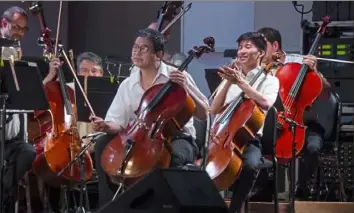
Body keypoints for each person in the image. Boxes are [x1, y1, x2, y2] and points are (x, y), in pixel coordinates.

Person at [91, 28, 209, 209]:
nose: (137, 52)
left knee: (171, 157)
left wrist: (187, 87)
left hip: (178, 137)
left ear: (158, 54)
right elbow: (117, 122)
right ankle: (109, 206)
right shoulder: (127, 84)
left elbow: (204, 112)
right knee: (102, 144)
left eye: (144, 49)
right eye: (135, 47)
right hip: (139, 137)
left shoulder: (178, 76)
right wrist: (106, 126)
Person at [257, 27, 331, 200]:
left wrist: (315, 72)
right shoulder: (262, 68)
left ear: (275, 46)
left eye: (262, 46)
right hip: (276, 121)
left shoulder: (299, 62)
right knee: (254, 139)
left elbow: (326, 91)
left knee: (312, 147)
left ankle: (303, 189)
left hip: (305, 122)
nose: (258, 50)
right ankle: (266, 188)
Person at [210, 32, 279, 213]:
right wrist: (226, 83)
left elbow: (265, 103)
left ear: (261, 53)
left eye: (248, 47)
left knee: (250, 166)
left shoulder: (270, 80)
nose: (241, 51)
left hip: (249, 138)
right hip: (223, 137)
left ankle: (234, 209)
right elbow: (214, 109)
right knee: (204, 168)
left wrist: (241, 83)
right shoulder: (231, 76)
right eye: (240, 47)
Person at [44, 51, 104, 213]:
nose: (89, 75)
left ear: (101, 74)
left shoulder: (108, 92)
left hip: (97, 145)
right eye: (84, 70)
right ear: (77, 73)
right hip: (70, 144)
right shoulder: (67, 89)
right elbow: (41, 98)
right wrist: (50, 77)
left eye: (94, 71)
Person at [0, 6, 36, 212]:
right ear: (4, 24)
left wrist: (48, 76)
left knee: (28, 152)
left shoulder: (16, 50)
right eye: (16, 28)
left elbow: (24, 91)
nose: (19, 33)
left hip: (13, 135)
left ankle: (5, 198)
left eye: (23, 29)